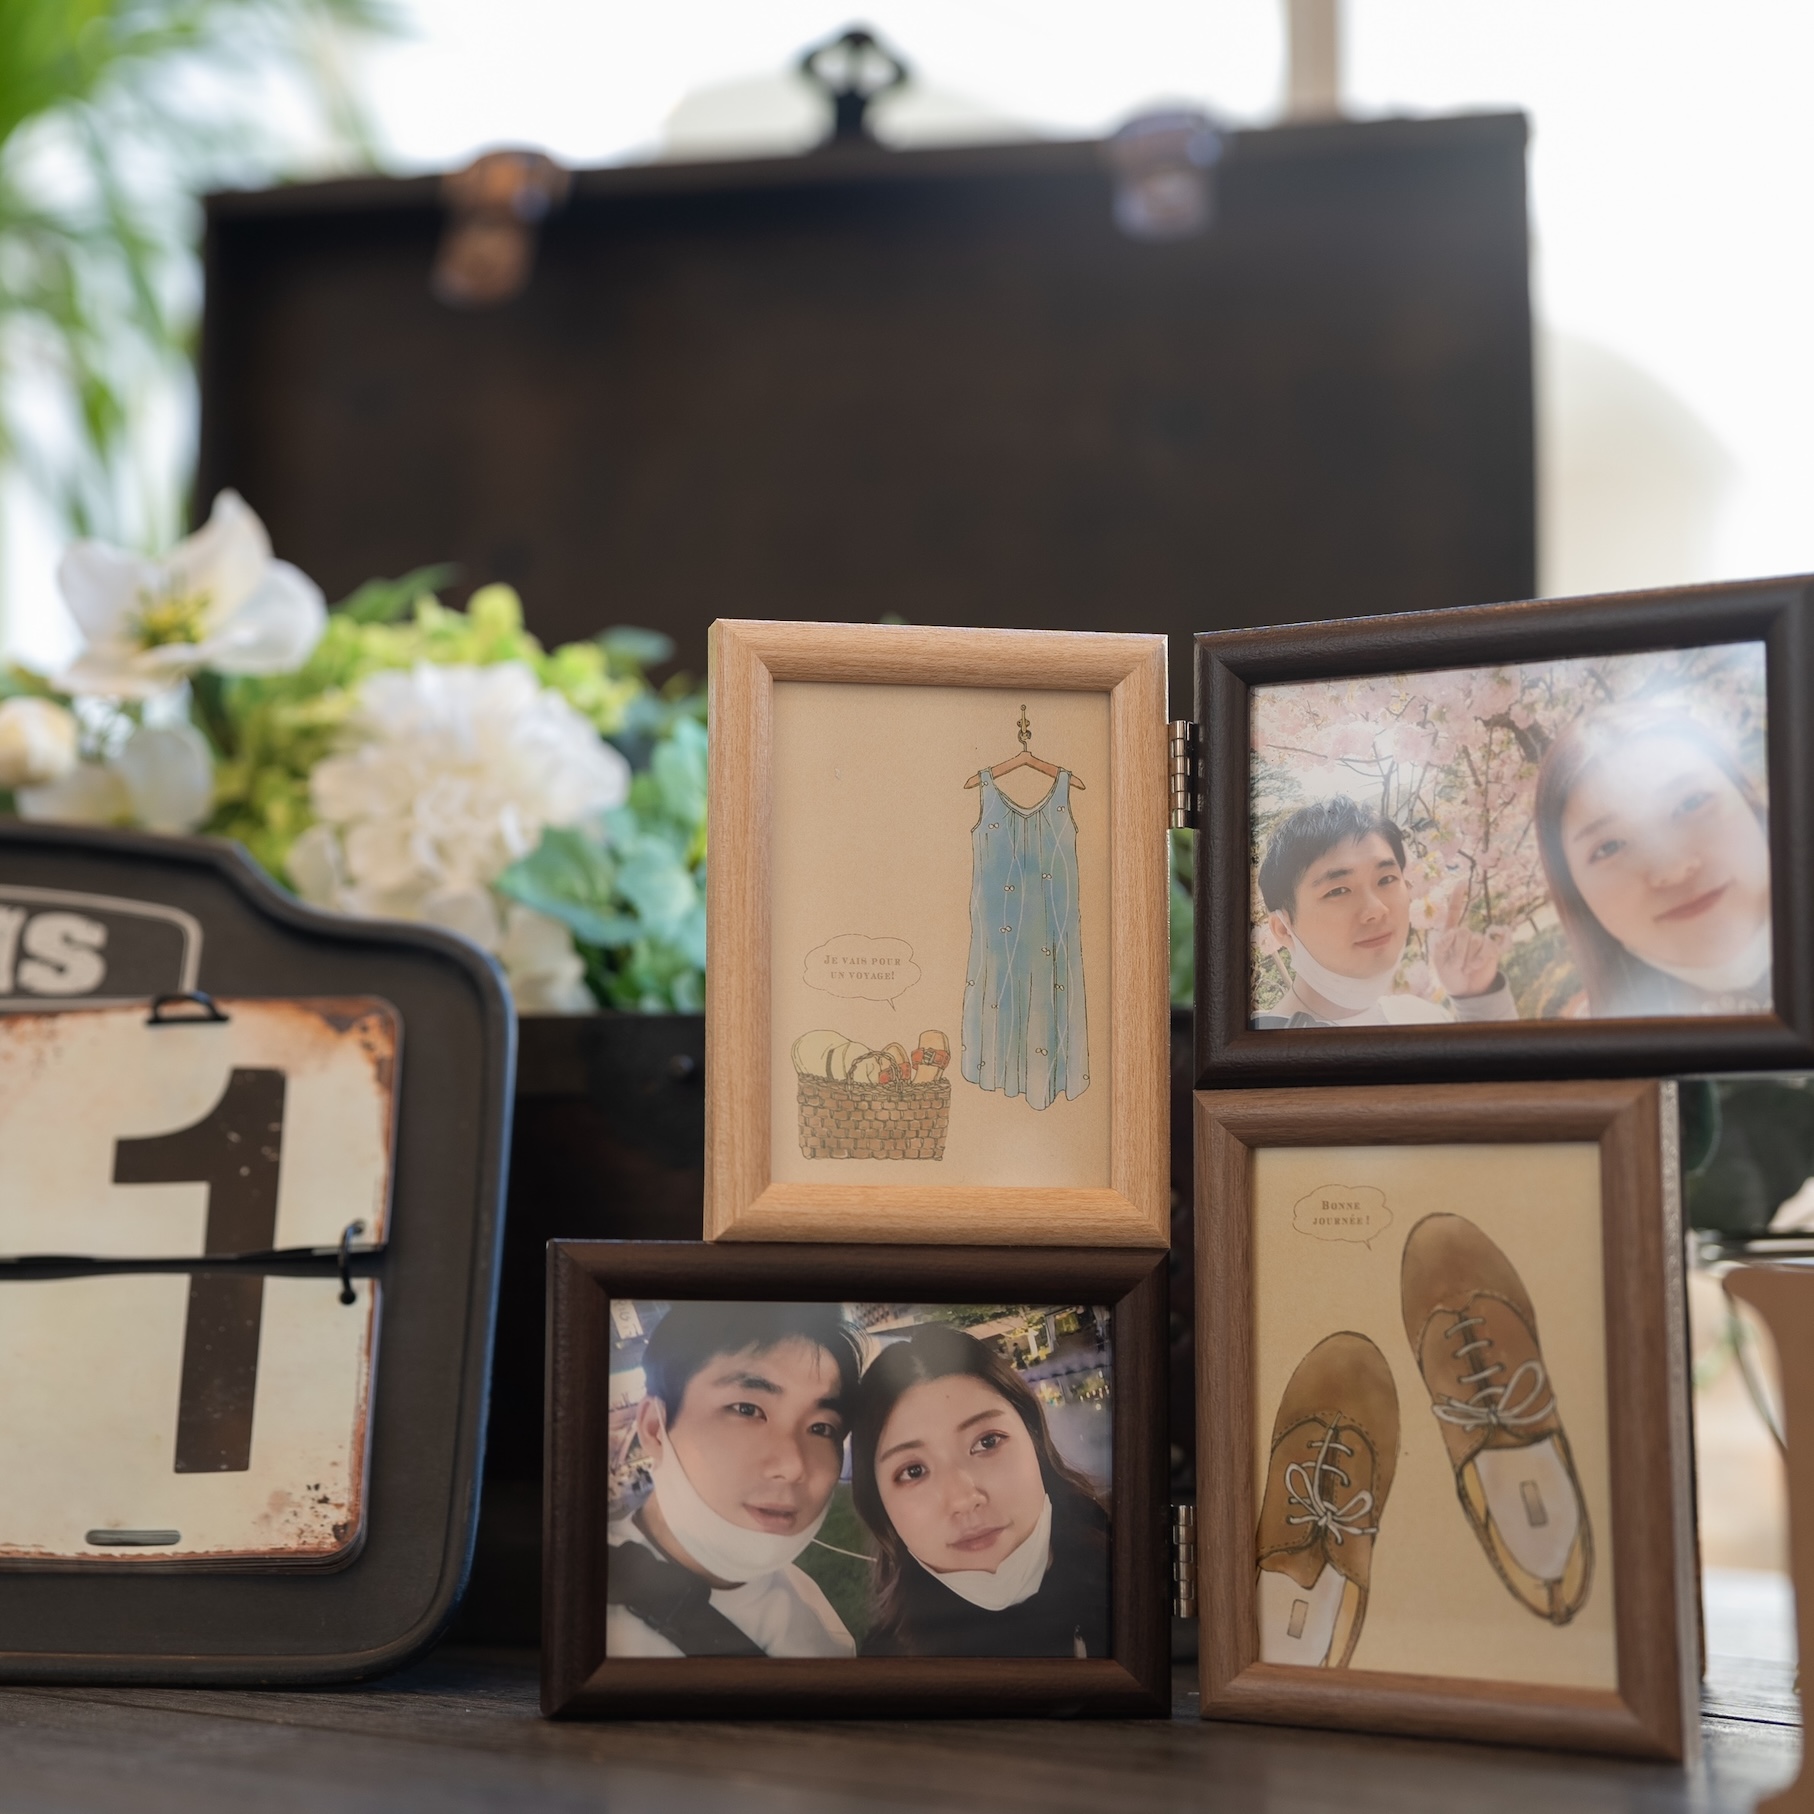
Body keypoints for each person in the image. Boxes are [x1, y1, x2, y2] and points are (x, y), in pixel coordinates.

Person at [606, 1301, 862, 1658]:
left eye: (821, 1428)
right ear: (654, 1428)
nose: (793, 1465)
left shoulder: (813, 1614)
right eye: (747, 1409)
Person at [850, 1323, 1110, 1657]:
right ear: (880, 1506)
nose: (964, 1499)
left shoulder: (1135, 1568)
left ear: (1035, 1441)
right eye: (914, 1471)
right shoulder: (884, 1667)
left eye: (987, 1442)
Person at [1535, 705, 1772, 1017]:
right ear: (1576, 895)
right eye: (1609, 847)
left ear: (1750, 801)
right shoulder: (1594, 1039)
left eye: (1691, 803)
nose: (1672, 870)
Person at [1253, 796, 1517, 1028]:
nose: (1377, 909)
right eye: (1338, 891)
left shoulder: (1418, 1016)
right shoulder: (1262, 1052)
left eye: (1387, 879)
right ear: (1283, 929)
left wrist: (1479, 1002)